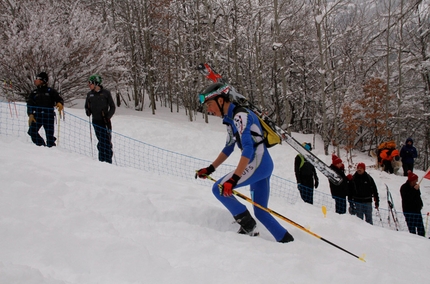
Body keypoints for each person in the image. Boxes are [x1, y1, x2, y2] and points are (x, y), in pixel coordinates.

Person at [195, 83, 294, 243]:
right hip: (262, 164)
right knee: (261, 211)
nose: (209, 110)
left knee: (218, 189)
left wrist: (234, 179)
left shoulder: (240, 115)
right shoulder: (230, 119)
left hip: (258, 164)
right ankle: (286, 241)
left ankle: (248, 225)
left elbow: (248, 148)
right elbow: (228, 148)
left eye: (210, 104)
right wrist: (210, 169)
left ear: (221, 100)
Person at [27, 72, 64, 147]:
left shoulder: (50, 91)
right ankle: (41, 146)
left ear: (42, 80)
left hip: (48, 116)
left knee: (49, 136)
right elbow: (30, 104)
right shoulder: (34, 92)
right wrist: (30, 114)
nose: (35, 81)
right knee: (32, 132)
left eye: (37, 79)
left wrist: (59, 103)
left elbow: (59, 99)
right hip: (37, 116)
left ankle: (52, 150)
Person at [84, 74, 116, 164]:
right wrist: (88, 111)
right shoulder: (89, 95)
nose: (89, 86)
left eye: (90, 84)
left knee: (106, 142)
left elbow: (112, 107)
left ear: (95, 83)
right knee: (101, 141)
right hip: (95, 121)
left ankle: (108, 161)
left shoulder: (106, 93)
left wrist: (108, 116)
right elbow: (86, 106)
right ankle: (101, 160)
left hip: (105, 122)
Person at [400, 171, 425, 237]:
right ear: (412, 180)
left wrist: (420, 204)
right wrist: (414, 190)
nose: (416, 182)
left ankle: (422, 239)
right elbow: (407, 199)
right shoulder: (404, 187)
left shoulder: (415, 186)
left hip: (417, 211)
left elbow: (418, 197)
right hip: (408, 211)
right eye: (415, 180)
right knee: (412, 229)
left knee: (421, 228)